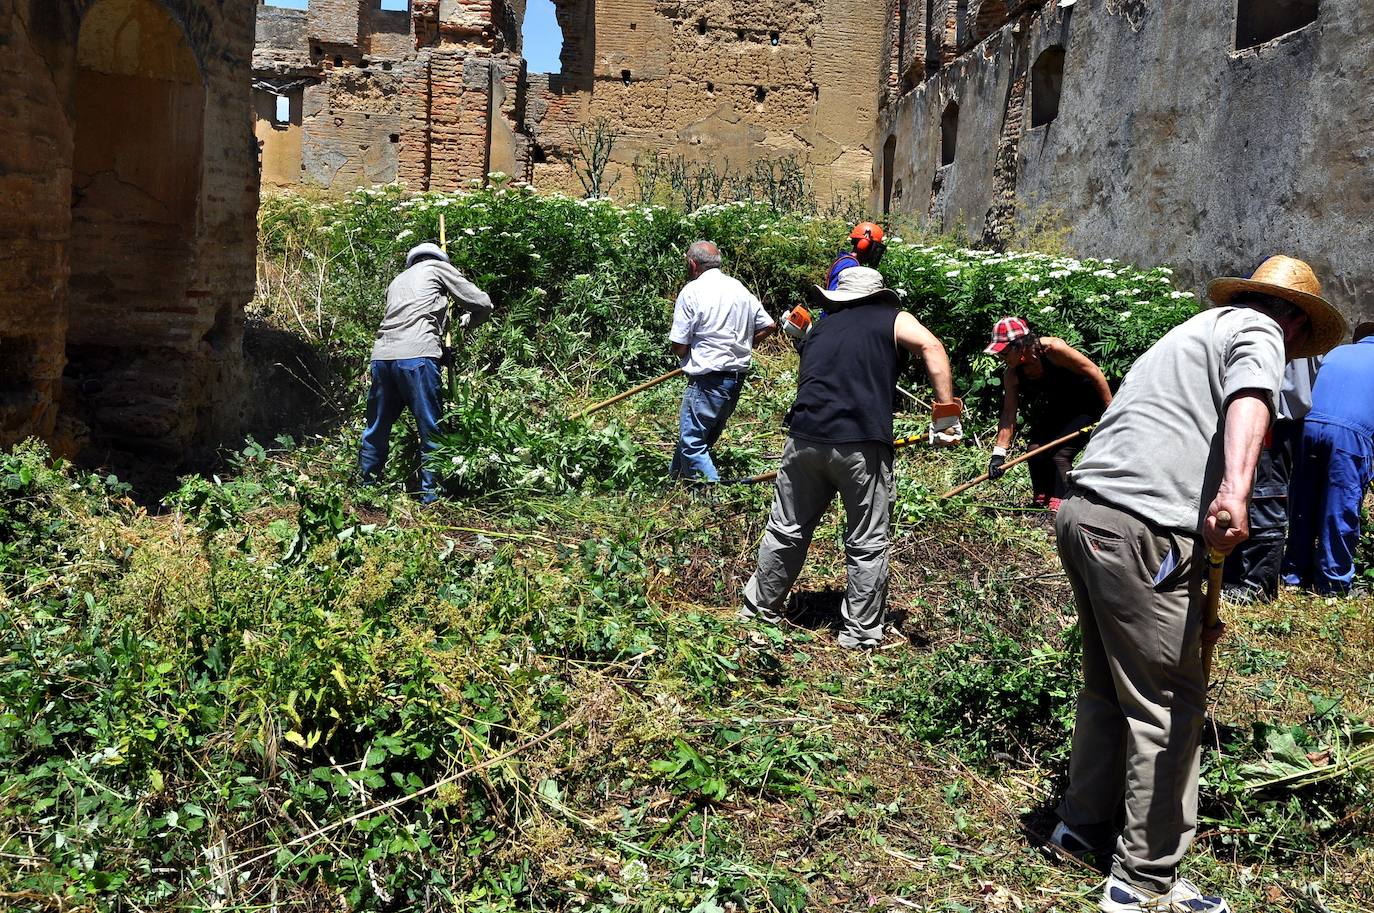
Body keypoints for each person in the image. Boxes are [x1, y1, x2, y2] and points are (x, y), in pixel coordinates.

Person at [1049, 255, 1345, 913]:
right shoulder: (1263, 333)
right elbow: (1251, 403)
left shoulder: (1195, 329)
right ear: (1295, 320)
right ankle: (1145, 876)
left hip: (1085, 511)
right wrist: (1236, 492)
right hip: (1143, 527)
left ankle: (1080, 828)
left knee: (1107, 688)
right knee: (1171, 700)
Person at [740, 267, 963, 648]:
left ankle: (759, 612)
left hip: (804, 439)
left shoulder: (822, 328)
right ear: (879, 297)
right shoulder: (892, 318)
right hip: (860, 443)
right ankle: (859, 633)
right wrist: (946, 415)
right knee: (866, 541)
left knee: (786, 529)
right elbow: (932, 347)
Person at [359, 242, 493, 503]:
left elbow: (415, 318)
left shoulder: (398, 280)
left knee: (377, 425)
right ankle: (431, 496)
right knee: (431, 426)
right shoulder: (437, 267)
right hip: (417, 357)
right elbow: (482, 303)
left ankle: (368, 486)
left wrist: (441, 351)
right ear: (439, 259)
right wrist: (471, 320)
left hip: (383, 357)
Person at [669, 241, 777, 483]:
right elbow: (769, 325)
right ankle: (673, 484)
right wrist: (743, 345)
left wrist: (694, 351)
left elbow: (679, 345)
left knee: (693, 443)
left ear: (692, 264)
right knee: (699, 438)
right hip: (735, 380)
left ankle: (715, 502)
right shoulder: (738, 288)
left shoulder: (692, 291)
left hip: (708, 380)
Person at [1281, 320, 1374, 594]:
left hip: (1308, 425)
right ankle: (1333, 584)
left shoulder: (1338, 353)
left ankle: (1294, 574)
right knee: (1339, 509)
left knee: (1303, 503)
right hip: (1350, 435)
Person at [984, 317, 1112, 511]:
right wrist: (998, 455)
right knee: (1035, 450)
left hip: (1088, 405)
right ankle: (1041, 504)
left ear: (1020, 345)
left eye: (1004, 351)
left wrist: (1111, 413)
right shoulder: (1012, 374)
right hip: (1059, 407)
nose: (1001, 357)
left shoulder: (1053, 349)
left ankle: (1062, 508)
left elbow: (1094, 372)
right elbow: (1009, 414)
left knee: (1059, 455)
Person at [1222, 357, 1322, 601]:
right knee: (1252, 492)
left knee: (1265, 495)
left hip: (1272, 416)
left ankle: (1256, 584)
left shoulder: (1281, 330)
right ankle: (1237, 576)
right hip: (1269, 414)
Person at [825, 222, 887, 290]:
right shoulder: (850, 264)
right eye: (875, 248)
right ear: (864, 244)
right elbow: (836, 292)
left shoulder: (847, 260)